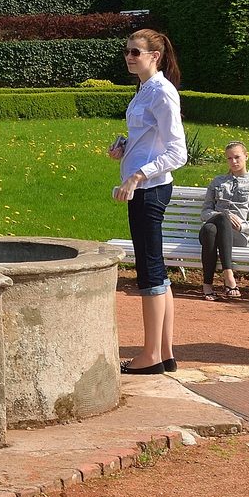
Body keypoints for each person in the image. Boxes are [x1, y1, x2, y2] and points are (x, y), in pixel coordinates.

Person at [111, 29, 187, 373]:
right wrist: (125, 146)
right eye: (127, 51)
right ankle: (165, 353)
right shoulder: (144, 89)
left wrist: (138, 176)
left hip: (150, 191)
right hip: (144, 189)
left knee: (149, 270)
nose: (129, 57)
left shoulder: (162, 92)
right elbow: (149, 139)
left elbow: (177, 152)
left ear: (154, 56)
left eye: (136, 52)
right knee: (155, 267)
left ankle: (151, 356)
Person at [199, 141, 249, 301]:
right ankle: (228, 276)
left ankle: (207, 285)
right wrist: (223, 216)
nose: (233, 161)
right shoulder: (217, 181)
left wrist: (242, 226)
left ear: (246, 156)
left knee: (210, 229)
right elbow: (205, 212)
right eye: (229, 158)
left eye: (237, 157)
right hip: (211, 231)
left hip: (237, 235)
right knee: (214, 224)